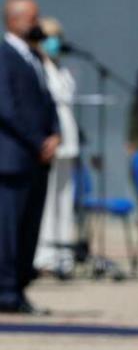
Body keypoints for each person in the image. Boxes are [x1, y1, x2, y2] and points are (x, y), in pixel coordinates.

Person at [0, 0, 59, 314]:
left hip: (37, 158)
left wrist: (55, 134)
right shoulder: (4, 56)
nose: (36, 25)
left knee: (29, 228)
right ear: (13, 20)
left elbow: (47, 101)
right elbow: (7, 108)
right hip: (13, 159)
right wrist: (38, 141)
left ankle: (19, 288)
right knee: (8, 229)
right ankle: (6, 290)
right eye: (31, 19)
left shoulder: (34, 58)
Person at [34, 17, 80, 278]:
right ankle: (45, 256)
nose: (55, 43)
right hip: (49, 141)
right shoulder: (38, 68)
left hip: (68, 142)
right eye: (49, 37)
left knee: (64, 200)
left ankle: (65, 254)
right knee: (47, 201)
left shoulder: (62, 69)